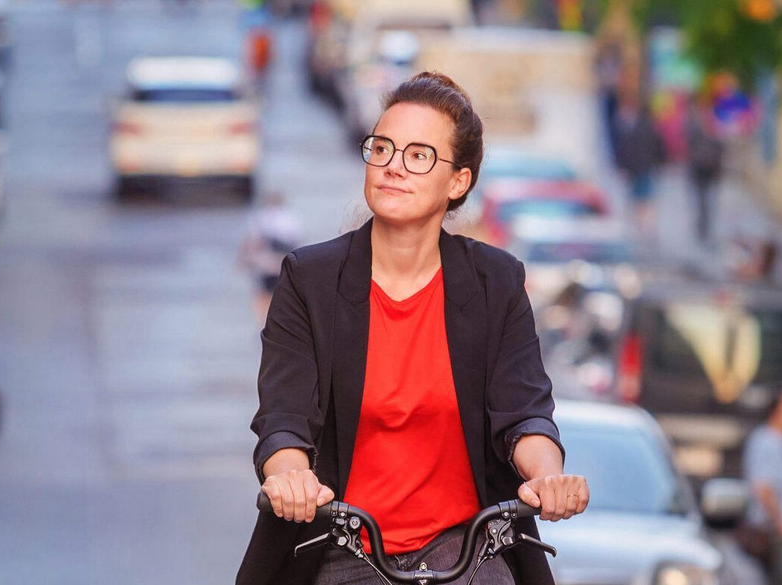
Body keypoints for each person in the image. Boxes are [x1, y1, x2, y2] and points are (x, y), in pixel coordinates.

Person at [236, 72, 588, 585]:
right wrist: (290, 478)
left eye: (418, 155)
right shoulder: (309, 279)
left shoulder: (497, 281)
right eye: (382, 148)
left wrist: (549, 477)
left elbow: (526, 414)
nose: (393, 167)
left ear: (458, 181)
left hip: (468, 548)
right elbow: (284, 418)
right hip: (344, 544)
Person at [740, 389, 782, 585]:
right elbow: (763, 488)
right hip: (772, 531)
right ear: (778, 411)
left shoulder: (780, 442)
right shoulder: (768, 442)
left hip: (778, 529)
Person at [237, 191, 303, 321]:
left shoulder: (262, 217)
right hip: (276, 262)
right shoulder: (291, 217)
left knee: (265, 295)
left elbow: (252, 242)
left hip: (269, 262)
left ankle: (266, 322)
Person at [609, 93, 665, 240]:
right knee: (639, 199)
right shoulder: (626, 126)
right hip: (636, 168)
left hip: (643, 167)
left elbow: (656, 146)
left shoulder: (640, 126)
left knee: (645, 198)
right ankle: (642, 228)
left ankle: (646, 228)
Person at [686, 104, 723, 244]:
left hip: (709, 171)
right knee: (701, 200)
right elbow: (691, 148)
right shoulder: (697, 131)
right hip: (699, 170)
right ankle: (702, 225)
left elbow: (720, 153)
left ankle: (704, 225)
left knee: (707, 201)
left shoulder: (715, 134)